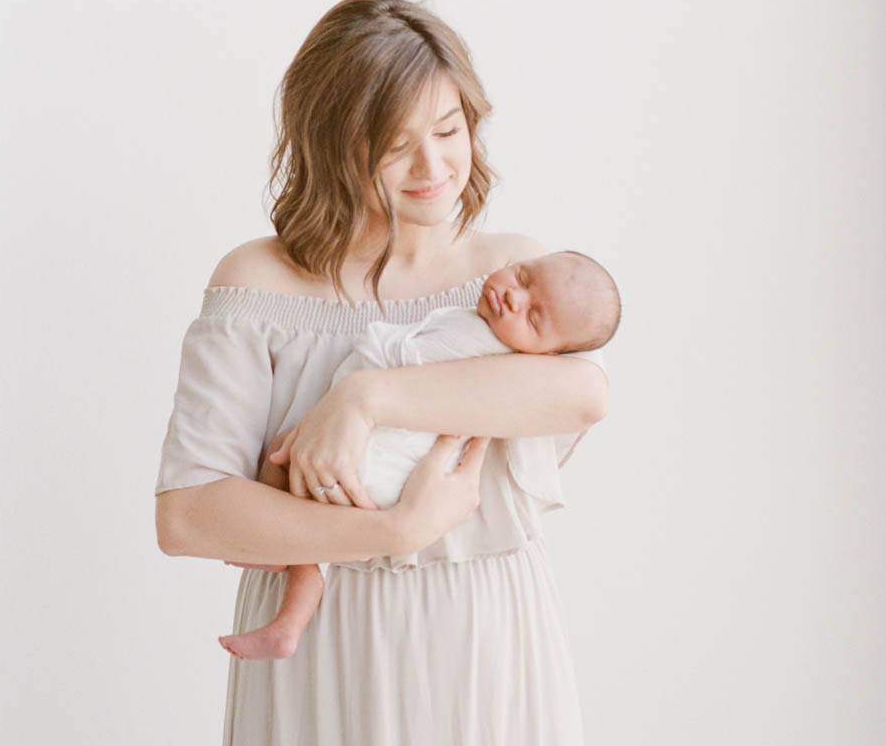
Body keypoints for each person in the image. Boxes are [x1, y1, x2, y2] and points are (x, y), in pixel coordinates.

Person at [154, 0, 612, 746]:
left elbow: (580, 397)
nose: (434, 166)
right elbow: (191, 513)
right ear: (332, 141)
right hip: (327, 647)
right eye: (396, 142)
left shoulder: (511, 280)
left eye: (449, 130)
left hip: (486, 639)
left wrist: (367, 400)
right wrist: (389, 531)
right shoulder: (259, 283)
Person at [217, 248, 620, 661]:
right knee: (296, 475)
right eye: (522, 276)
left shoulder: (484, 344)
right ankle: (288, 611)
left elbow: (407, 358)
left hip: (383, 459)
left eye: (534, 317)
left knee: (286, 456)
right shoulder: (487, 330)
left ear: (549, 355)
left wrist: (369, 365)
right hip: (388, 460)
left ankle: (272, 558)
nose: (515, 297)